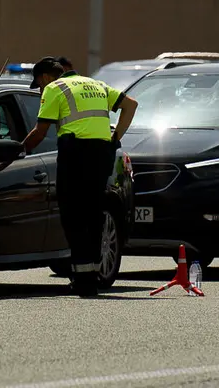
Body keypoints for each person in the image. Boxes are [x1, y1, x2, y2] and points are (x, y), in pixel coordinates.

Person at [22, 57, 138, 297]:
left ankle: (82, 279)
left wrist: (19, 150)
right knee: (94, 215)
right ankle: (91, 277)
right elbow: (131, 105)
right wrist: (115, 138)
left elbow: (40, 132)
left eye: (40, 84)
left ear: (45, 77)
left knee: (73, 216)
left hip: (75, 156)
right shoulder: (96, 84)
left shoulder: (55, 88)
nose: (41, 90)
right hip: (101, 155)